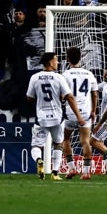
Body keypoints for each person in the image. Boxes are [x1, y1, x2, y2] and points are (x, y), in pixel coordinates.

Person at [26, 52, 84, 180]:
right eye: (56, 60)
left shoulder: (35, 77)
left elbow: (29, 98)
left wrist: (39, 98)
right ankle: (55, 173)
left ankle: (39, 160)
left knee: (36, 146)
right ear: (50, 62)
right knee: (58, 144)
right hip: (57, 117)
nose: (57, 62)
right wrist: (79, 116)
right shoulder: (59, 78)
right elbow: (69, 97)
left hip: (41, 118)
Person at [61, 47, 99, 180]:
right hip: (86, 113)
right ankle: (86, 172)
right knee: (85, 141)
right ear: (81, 58)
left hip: (71, 113)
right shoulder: (89, 74)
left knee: (65, 139)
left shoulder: (65, 75)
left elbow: (62, 96)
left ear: (67, 59)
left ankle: (71, 169)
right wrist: (94, 110)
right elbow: (95, 94)